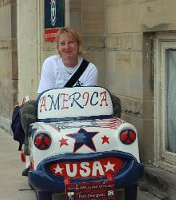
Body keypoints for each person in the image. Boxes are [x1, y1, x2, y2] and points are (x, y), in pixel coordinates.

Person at [19, 26, 121, 176]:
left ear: (78, 45)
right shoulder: (50, 63)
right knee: (27, 108)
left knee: (114, 101)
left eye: (71, 42)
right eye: (62, 43)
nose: (67, 47)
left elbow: (89, 100)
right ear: (58, 48)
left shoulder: (90, 68)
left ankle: (112, 145)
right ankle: (31, 149)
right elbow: (43, 95)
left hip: (83, 112)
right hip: (53, 111)